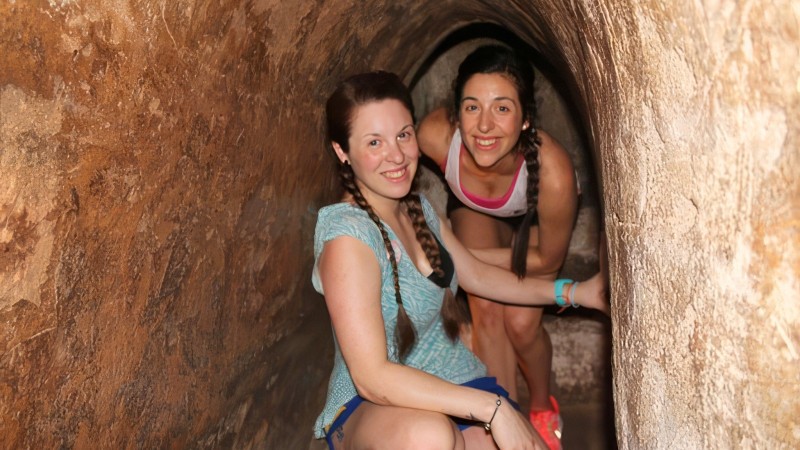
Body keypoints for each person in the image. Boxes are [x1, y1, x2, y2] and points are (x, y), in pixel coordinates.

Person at [312, 70, 607, 449]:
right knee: (431, 437)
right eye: (374, 142)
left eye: (403, 134)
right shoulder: (348, 238)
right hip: (372, 407)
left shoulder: (416, 208)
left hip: (451, 382)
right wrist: (493, 408)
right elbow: (372, 377)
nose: (397, 155)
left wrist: (578, 292)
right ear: (342, 151)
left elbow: (478, 276)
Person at [417, 45, 582, 449]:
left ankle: (542, 407)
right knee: (486, 308)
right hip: (476, 212)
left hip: (534, 229)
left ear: (526, 119)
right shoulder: (435, 137)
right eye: (472, 108)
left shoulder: (553, 172)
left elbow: (548, 260)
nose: (485, 126)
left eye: (502, 109)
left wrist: (455, 254)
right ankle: (502, 418)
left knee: (523, 325)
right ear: (456, 114)